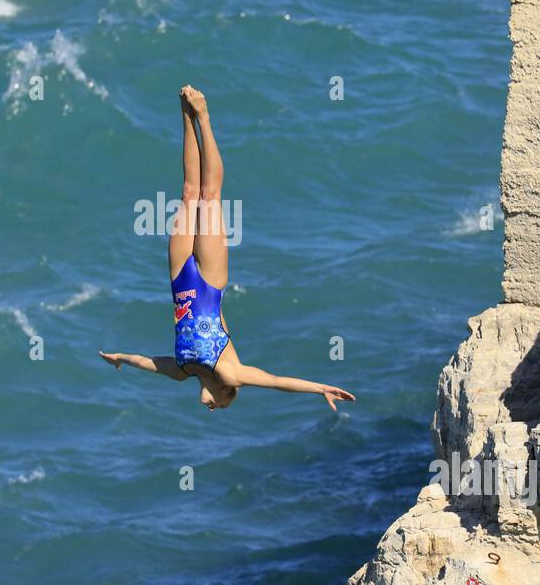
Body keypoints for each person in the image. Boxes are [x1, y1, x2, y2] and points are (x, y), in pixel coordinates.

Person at [100, 85, 357, 412]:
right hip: (208, 281)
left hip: (180, 279)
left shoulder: (180, 372)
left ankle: (184, 112)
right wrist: (320, 388)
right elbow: (277, 381)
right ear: (225, 394)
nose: (212, 408)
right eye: (219, 407)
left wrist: (120, 357)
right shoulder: (231, 372)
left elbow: (147, 361)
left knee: (188, 193)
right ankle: (204, 117)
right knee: (209, 195)